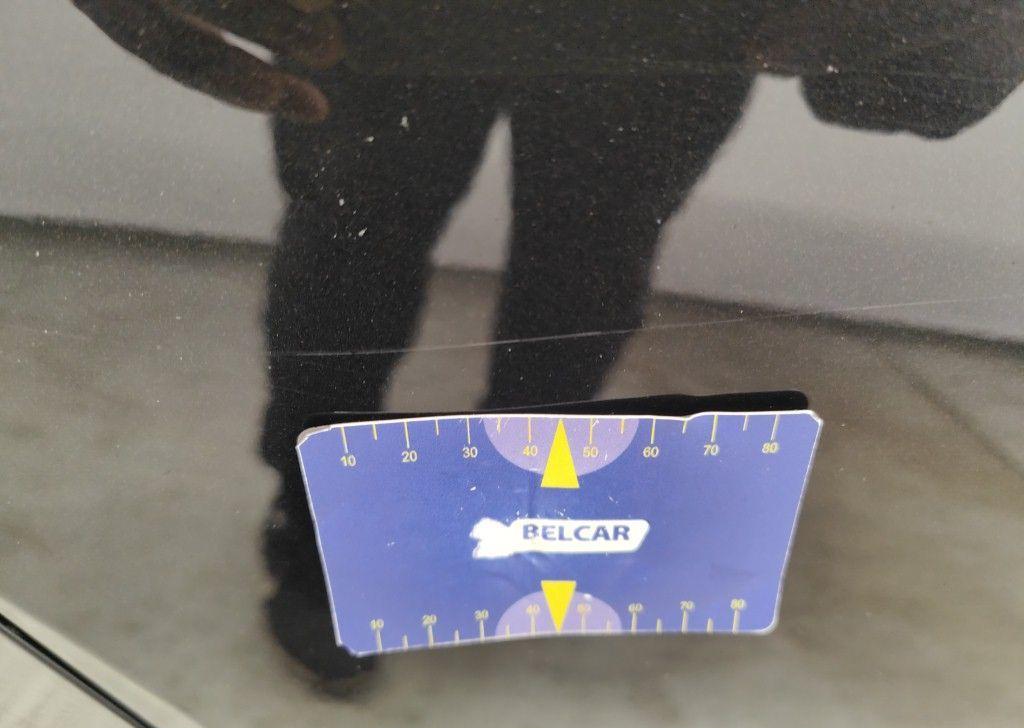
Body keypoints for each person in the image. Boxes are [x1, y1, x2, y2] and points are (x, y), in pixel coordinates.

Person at [71, 0, 1024, 685]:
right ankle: (325, 505)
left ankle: (506, 498)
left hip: (670, 30)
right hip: (404, 20)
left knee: (584, 258)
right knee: (360, 243)